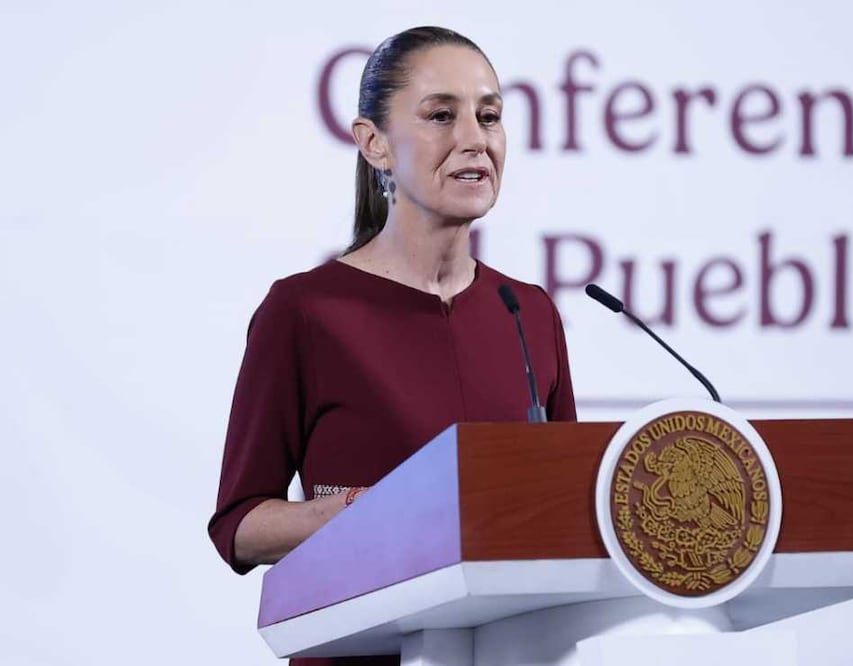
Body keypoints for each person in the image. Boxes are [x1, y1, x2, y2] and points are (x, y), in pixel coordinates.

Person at [207, 26, 577, 666]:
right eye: (441, 115)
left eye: (489, 117)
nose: (475, 139)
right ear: (374, 144)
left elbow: (570, 505)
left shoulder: (530, 312)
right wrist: (360, 514)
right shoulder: (305, 310)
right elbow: (238, 526)